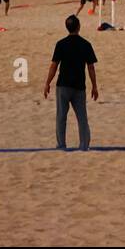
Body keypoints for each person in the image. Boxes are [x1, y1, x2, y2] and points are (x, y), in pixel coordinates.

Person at [43, 14, 98, 151]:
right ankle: (84, 145)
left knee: (61, 117)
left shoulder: (61, 44)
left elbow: (54, 66)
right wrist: (94, 86)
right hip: (79, 85)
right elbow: (91, 67)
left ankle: (61, 145)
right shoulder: (86, 44)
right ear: (78, 27)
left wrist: (47, 83)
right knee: (82, 117)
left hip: (63, 85)